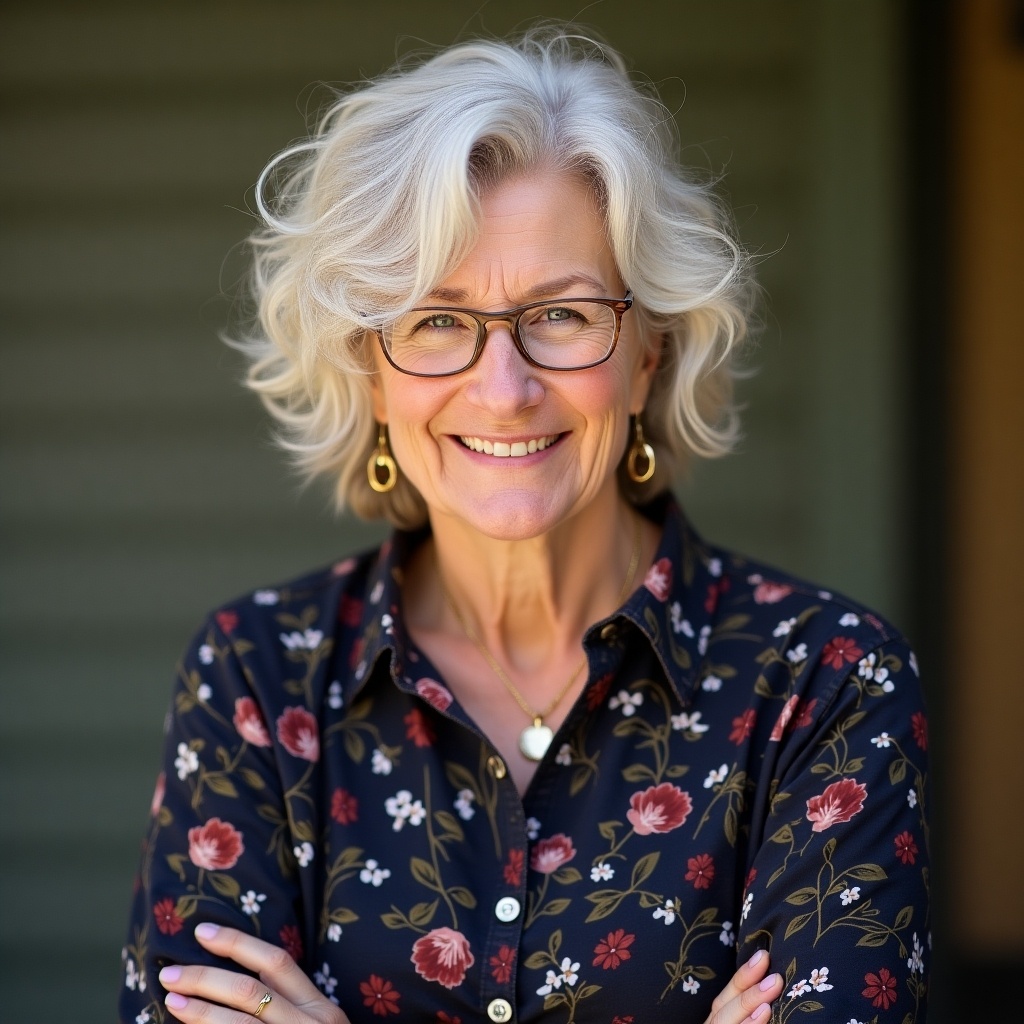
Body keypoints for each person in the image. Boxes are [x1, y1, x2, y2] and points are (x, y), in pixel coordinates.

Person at [119, 26, 930, 1024]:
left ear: (647, 353)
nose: (502, 389)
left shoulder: (822, 681)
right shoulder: (257, 677)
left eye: (561, 315)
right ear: (369, 371)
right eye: (434, 320)